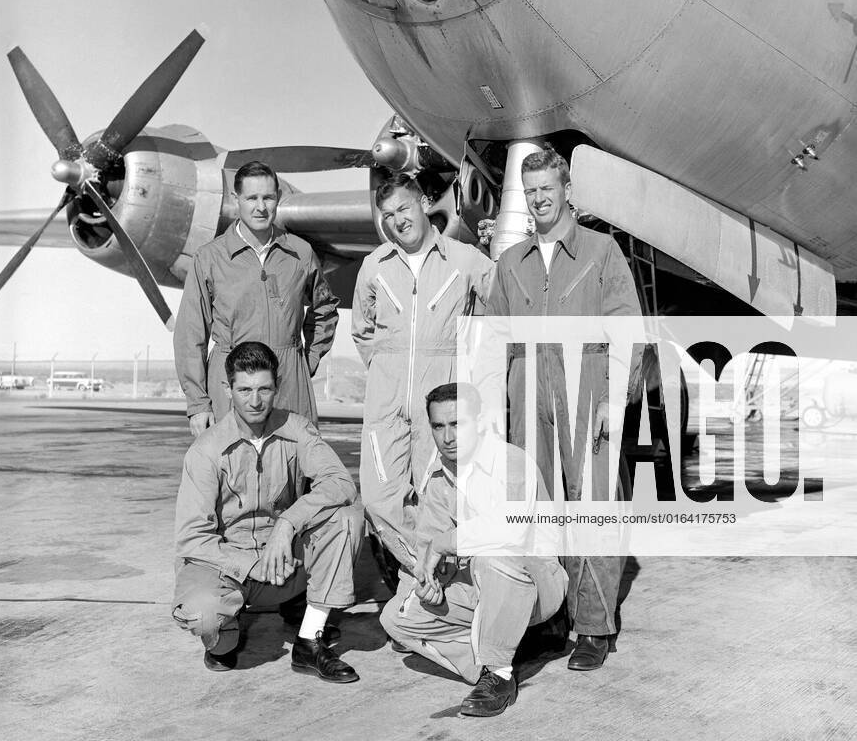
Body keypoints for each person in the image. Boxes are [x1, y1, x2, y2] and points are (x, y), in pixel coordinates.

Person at [486, 143, 642, 672]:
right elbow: (493, 341)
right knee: (538, 509)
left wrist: (614, 399)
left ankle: (595, 628)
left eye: (547, 189)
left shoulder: (602, 252)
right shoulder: (511, 263)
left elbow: (627, 330)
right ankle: (549, 619)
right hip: (528, 395)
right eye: (529, 193)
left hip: (586, 392)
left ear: (567, 190)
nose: (538, 201)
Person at [171, 341, 363, 681]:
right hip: (227, 566)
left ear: (277, 387)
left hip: (283, 559)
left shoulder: (297, 429)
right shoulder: (206, 451)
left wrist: (288, 522)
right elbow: (192, 540)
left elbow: (340, 483)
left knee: (348, 516)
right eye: (244, 390)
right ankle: (226, 633)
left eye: (264, 389)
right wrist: (250, 565)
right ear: (227, 389)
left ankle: (309, 639)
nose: (255, 400)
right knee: (203, 616)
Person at [381, 383, 568, 717]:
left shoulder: (511, 462)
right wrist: (424, 587)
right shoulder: (438, 479)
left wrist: (446, 542)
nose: (448, 436)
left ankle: (499, 673)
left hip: (536, 584)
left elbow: (509, 531)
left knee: (493, 556)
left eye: (458, 424)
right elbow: (426, 547)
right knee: (396, 617)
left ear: (480, 423)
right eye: (439, 426)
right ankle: (496, 651)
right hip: (477, 586)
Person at [351, 174, 494, 570]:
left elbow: (504, 301)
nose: (398, 220)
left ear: (424, 203)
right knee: (379, 500)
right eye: (388, 214)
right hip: (387, 397)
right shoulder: (373, 265)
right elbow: (362, 330)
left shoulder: (464, 258)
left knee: (435, 500)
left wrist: (469, 362)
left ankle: (422, 606)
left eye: (404, 208)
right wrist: (386, 369)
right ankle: (426, 571)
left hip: (442, 399)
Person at [174, 160, 339, 437]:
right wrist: (198, 403)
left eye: (268, 198)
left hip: (288, 384)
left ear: (278, 199)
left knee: (295, 470)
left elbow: (325, 308)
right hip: (231, 382)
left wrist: (305, 360)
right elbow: (191, 334)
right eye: (252, 198)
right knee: (233, 471)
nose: (260, 207)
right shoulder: (210, 258)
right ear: (235, 199)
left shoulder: (300, 253)